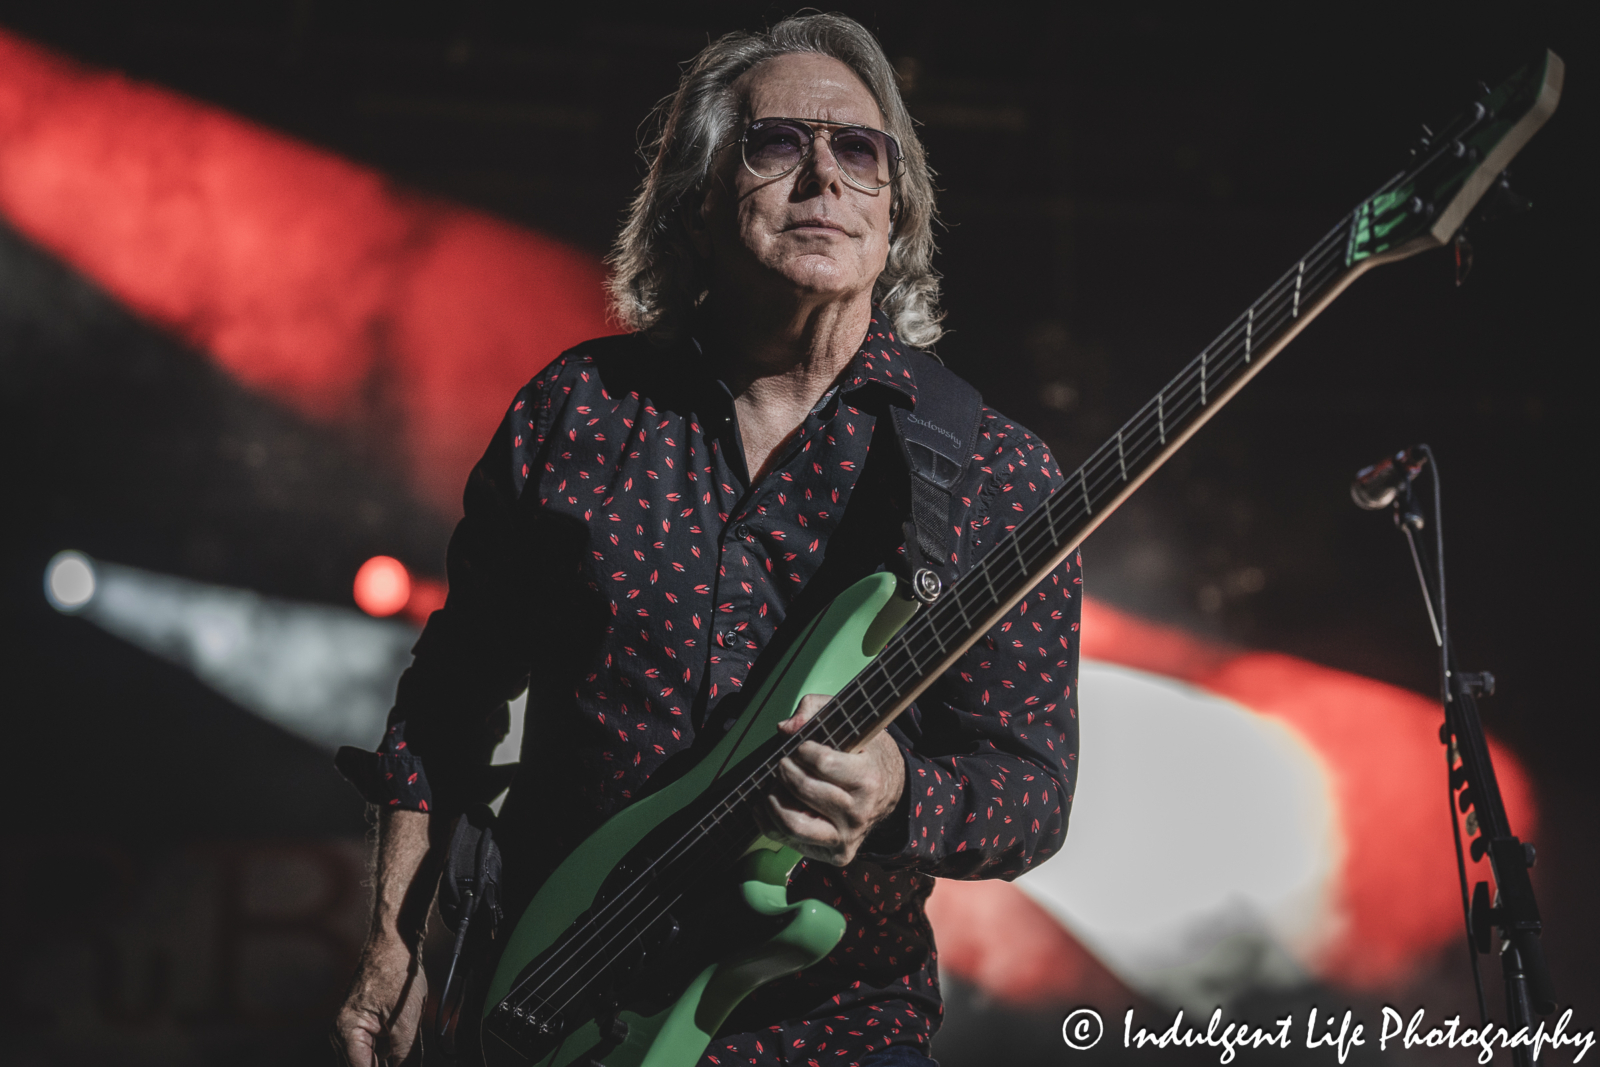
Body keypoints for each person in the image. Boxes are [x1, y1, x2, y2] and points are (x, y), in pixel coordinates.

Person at [333, 13, 1080, 1067]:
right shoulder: (576, 412)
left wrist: (898, 794)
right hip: (546, 997)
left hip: (827, 1025)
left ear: (896, 208)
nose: (823, 175)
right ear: (692, 201)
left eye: (859, 151)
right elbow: (449, 697)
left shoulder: (994, 474)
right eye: (776, 144)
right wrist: (392, 941)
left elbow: (1030, 787)